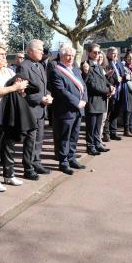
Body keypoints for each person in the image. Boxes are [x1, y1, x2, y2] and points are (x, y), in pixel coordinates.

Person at [0, 42, 27, 191]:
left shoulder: (9, 71)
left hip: (10, 115)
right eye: (0, 55)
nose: (4, 57)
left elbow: (17, 88)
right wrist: (15, 87)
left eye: (4, 54)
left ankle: (9, 175)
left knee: (9, 146)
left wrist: (21, 90)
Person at [17, 39, 53, 180]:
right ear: (30, 51)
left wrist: (48, 95)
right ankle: (28, 167)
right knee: (30, 140)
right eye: (40, 49)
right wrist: (40, 99)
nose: (42, 52)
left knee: (38, 139)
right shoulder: (24, 67)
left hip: (41, 109)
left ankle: (36, 162)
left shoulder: (39, 65)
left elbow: (44, 86)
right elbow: (24, 91)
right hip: (31, 110)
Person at [50, 46, 87, 175]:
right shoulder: (56, 71)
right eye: (68, 55)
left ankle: (72, 159)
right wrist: (77, 102)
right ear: (61, 56)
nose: (71, 58)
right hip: (65, 111)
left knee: (74, 137)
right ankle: (63, 163)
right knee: (64, 138)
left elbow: (83, 86)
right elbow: (61, 92)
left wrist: (84, 100)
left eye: (72, 55)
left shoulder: (75, 70)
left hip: (77, 110)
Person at [85, 43, 113, 155]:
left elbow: (104, 81)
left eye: (99, 52)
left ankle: (97, 144)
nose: (97, 54)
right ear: (89, 53)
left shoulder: (98, 66)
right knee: (91, 128)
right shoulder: (87, 65)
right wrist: (107, 90)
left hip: (101, 100)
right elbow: (92, 85)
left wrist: (110, 86)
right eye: (94, 52)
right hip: (93, 101)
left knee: (97, 126)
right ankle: (90, 146)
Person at [103, 47, 125, 141]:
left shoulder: (119, 63)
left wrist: (123, 77)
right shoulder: (106, 63)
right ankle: (106, 134)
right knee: (108, 113)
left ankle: (113, 132)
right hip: (110, 91)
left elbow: (122, 73)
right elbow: (105, 77)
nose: (115, 55)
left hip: (119, 91)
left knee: (115, 113)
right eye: (113, 53)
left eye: (116, 53)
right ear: (108, 54)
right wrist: (116, 78)